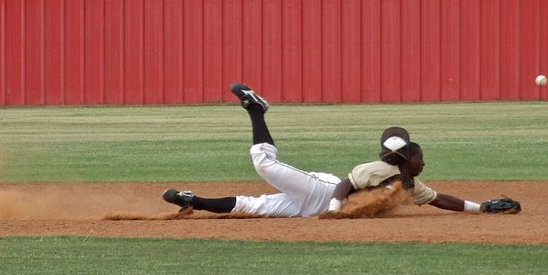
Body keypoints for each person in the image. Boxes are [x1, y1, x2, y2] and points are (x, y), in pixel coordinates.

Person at [162, 83, 520, 217]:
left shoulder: (411, 184)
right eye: (419, 155)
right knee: (264, 164)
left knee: (252, 206)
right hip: (320, 191)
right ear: (406, 158)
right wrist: (333, 210)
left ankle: (195, 201)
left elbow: (442, 199)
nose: (424, 161)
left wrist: (481, 207)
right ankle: (256, 108)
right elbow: (344, 187)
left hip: (309, 208)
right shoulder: (379, 171)